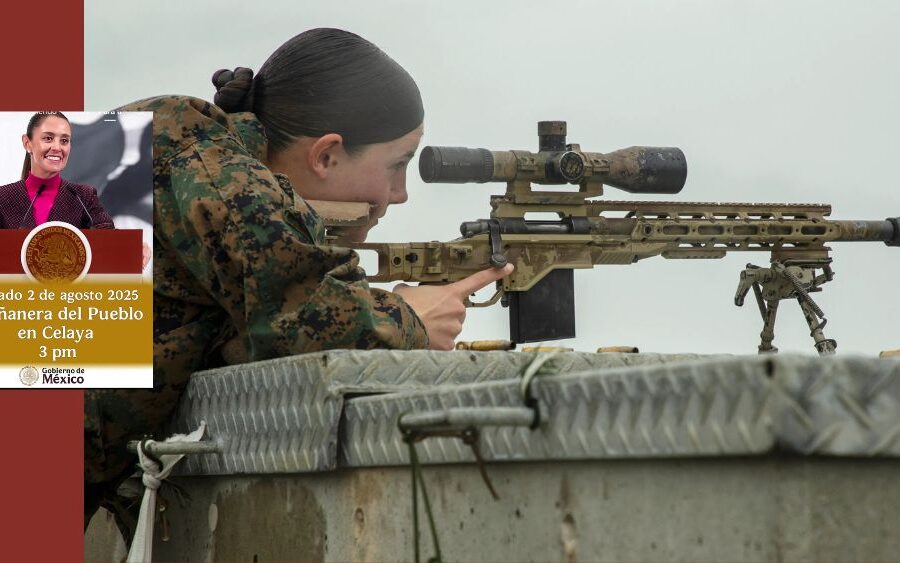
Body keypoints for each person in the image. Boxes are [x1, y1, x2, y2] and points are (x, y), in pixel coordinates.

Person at [84, 28, 512, 528]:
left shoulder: (170, 143)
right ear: (326, 155)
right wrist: (412, 318)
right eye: (396, 166)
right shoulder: (213, 172)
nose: (398, 195)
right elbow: (314, 326)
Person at [0, 112, 115, 229]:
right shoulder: (2, 197)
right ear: (27, 143)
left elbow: (111, 239)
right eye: (48, 138)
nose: (57, 147)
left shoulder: (84, 197)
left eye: (64, 141)